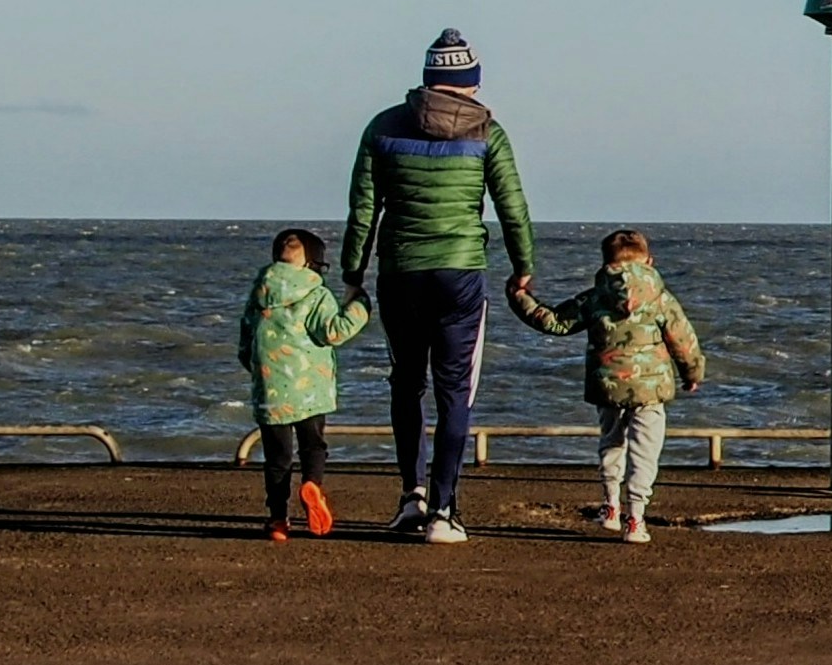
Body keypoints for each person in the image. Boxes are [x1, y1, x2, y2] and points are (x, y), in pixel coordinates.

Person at [340, 28, 536, 544]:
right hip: (460, 274)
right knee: (455, 393)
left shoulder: (382, 127)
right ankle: (445, 512)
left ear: (428, 79)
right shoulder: (488, 133)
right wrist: (523, 267)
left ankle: (411, 498)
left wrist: (352, 272)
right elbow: (513, 209)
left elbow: (364, 209)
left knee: (406, 383)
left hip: (400, 272)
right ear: (470, 83)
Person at [516, 229, 708, 540]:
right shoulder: (660, 299)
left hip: (607, 387)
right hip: (649, 391)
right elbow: (683, 340)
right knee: (645, 452)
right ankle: (635, 518)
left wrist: (520, 298)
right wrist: (692, 374)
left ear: (606, 263)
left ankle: (610, 506)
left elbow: (554, 321)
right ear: (649, 261)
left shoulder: (594, 297)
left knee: (611, 442)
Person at [238, 230, 372, 541]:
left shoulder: (259, 292)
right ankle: (312, 483)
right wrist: (361, 305)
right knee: (313, 446)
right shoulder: (317, 294)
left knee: (277, 458)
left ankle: (278, 520)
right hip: (310, 389)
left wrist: (261, 373)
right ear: (313, 264)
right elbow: (333, 332)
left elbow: (246, 344)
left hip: (270, 393)